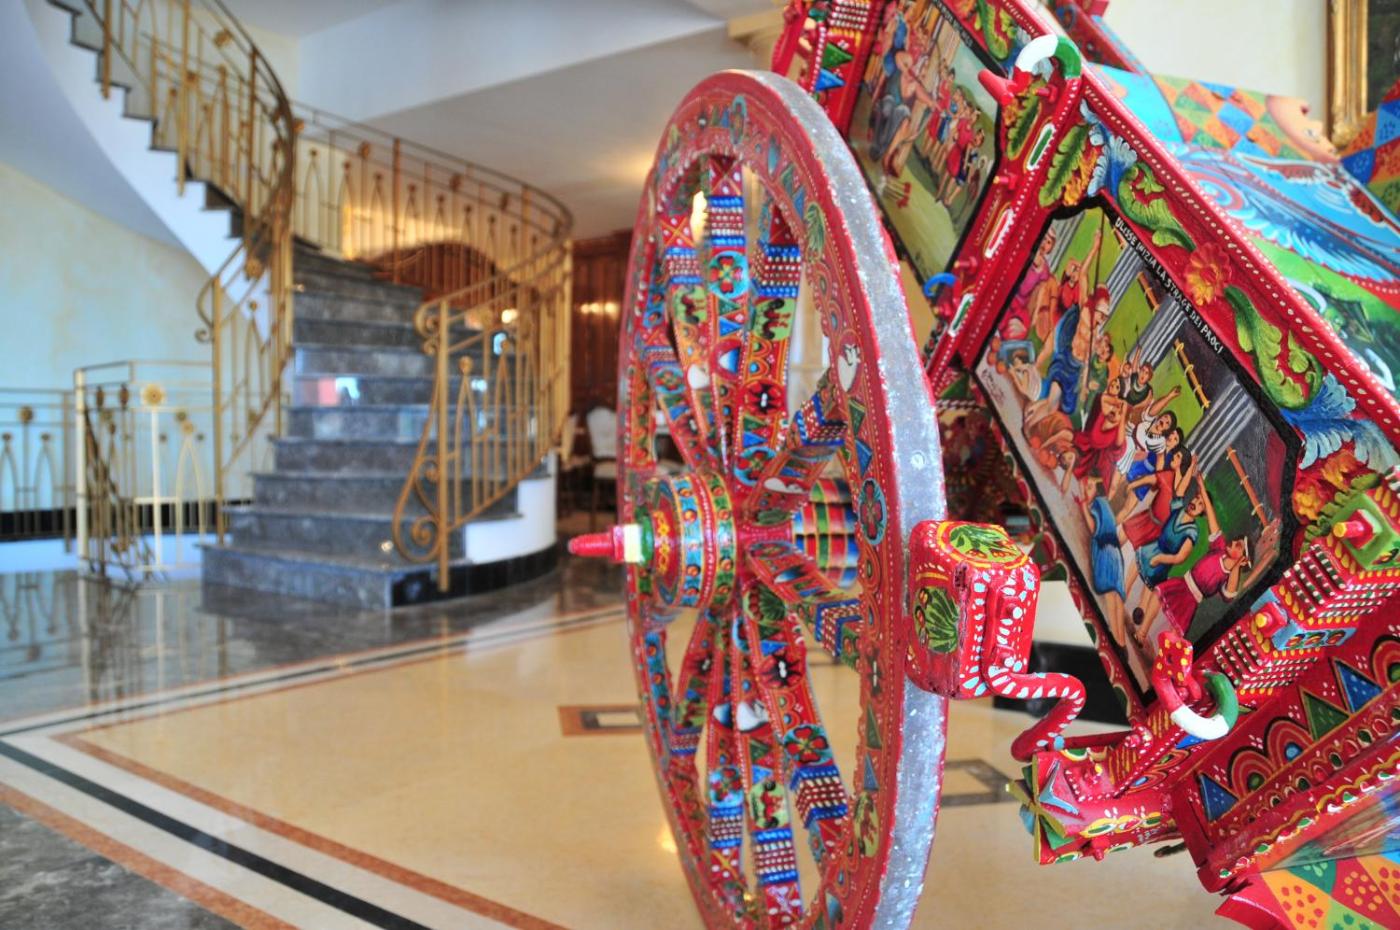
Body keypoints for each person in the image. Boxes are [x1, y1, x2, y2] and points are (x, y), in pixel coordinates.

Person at [1079, 474, 1127, 646]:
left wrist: (1083, 505)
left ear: (1098, 489)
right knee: (1117, 597)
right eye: (1086, 487)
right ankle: (1122, 642)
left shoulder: (1097, 505)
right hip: (1116, 554)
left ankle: (1116, 640)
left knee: (1109, 595)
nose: (1087, 490)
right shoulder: (1104, 504)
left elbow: (1094, 528)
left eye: (1090, 487)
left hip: (1106, 551)